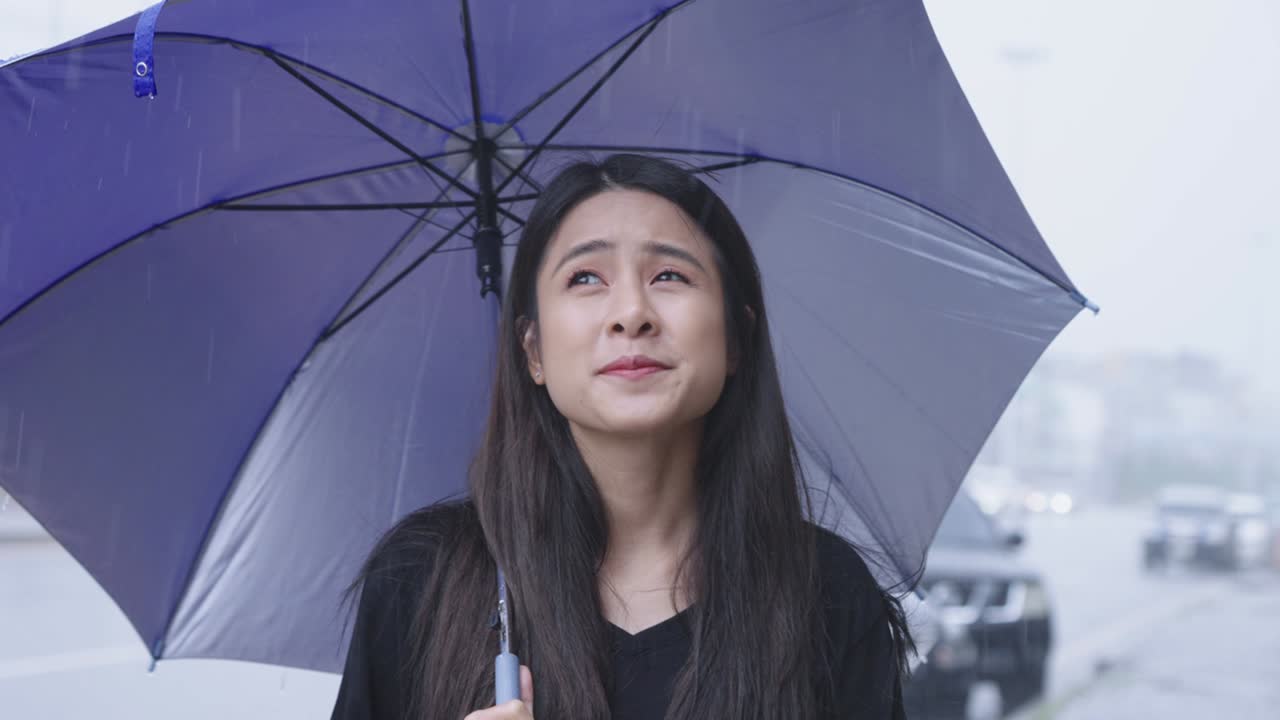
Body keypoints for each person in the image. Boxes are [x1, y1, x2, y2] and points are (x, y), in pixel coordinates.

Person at [330, 154, 913, 720]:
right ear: (532, 350)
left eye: (669, 275)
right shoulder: (423, 580)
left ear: (737, 339)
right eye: (586, 277)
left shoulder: (826, 594)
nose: (631, 312)